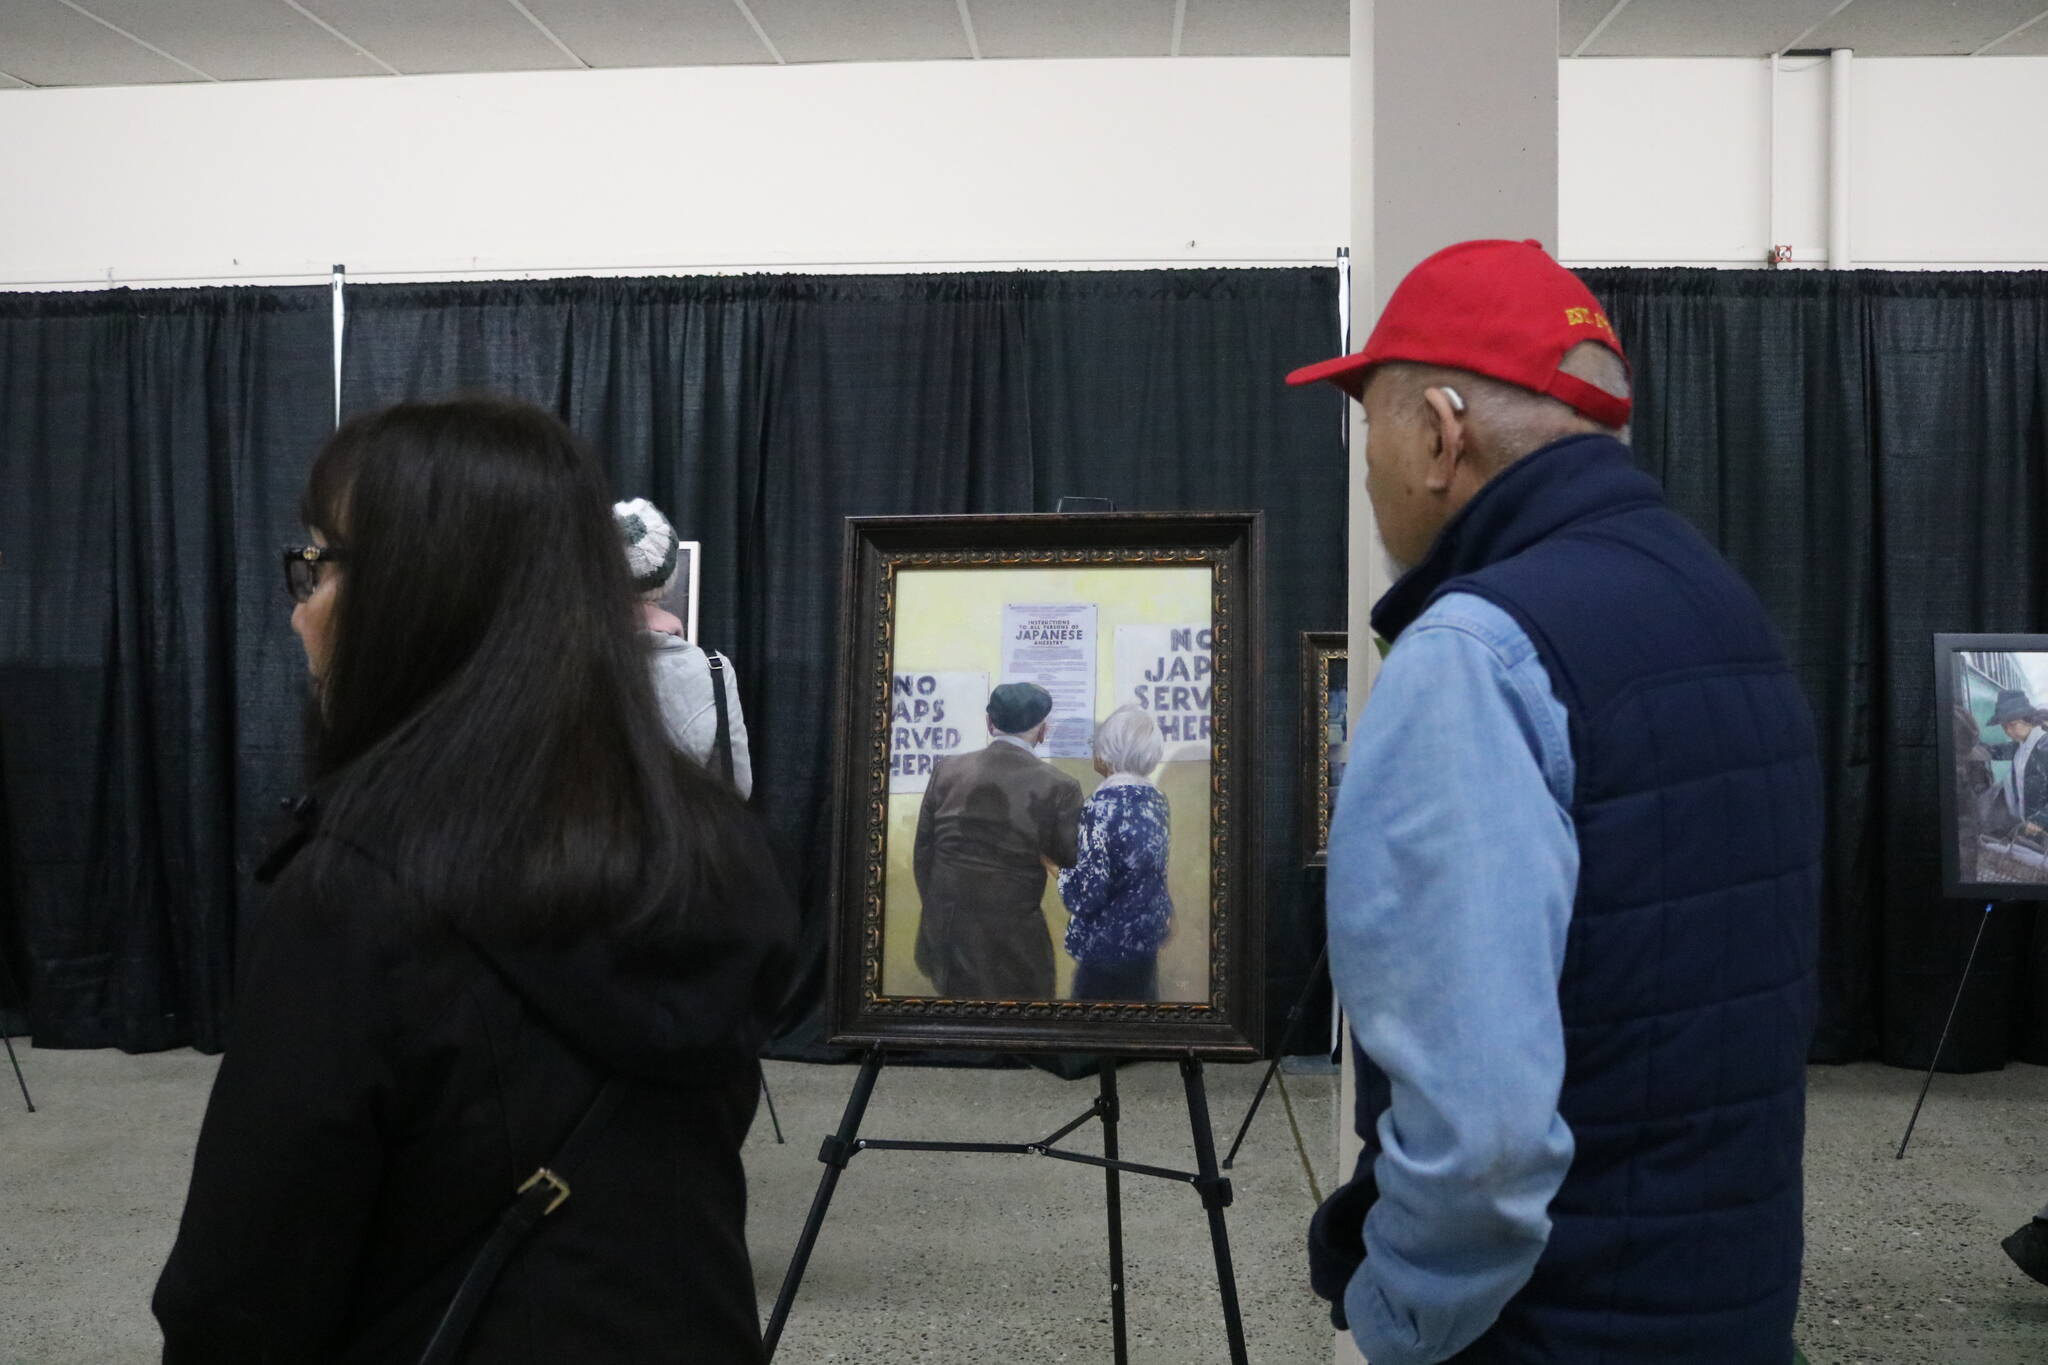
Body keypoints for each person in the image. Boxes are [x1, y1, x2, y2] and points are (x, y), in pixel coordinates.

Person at [153, 397, 796, 1364]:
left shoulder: (357, 895)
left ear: (419, 593)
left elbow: (241, 1296)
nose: (298, 608)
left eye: (319, 562)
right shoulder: (710, 847)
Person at [1287, 239, 1820, 1365]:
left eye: (1367, 427)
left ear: (1438, 432)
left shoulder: (1476, 656)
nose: (1367, 466)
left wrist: (1395, 1319)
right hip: (1717, 1297)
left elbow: (1476, 1142)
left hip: (1548, 1327)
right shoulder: (1719, 607)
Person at [912, 682, 1082, 1000]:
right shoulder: (1061, 787)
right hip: (1015, 942)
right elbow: (1069, 860)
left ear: (990, 724)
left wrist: (940, 910)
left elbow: (924, 853)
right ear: (1043, 730)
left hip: (946, 935)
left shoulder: (946, 770)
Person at [614, 497, 753, 799]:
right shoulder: (713, 670)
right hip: (680, 841)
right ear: (668, 578)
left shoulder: (566, 663)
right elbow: (737, 788)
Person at [1059, 705, 1174, 1002]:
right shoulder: (1155, 800)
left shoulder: (1100, 806)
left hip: (1105, 950)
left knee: (1093, 1034)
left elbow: (1088, 894)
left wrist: (1057, 868)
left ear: (1107, 753)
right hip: (1145, 943)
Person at [1979, 688, 2048, 839]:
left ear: (2028, 719)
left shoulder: (2045, 745)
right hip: (2030, 829)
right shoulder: (2020, 745)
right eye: (2004, 727)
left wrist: (2042, 819)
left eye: (2013, 724)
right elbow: (1993, 751)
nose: (2009, 731)